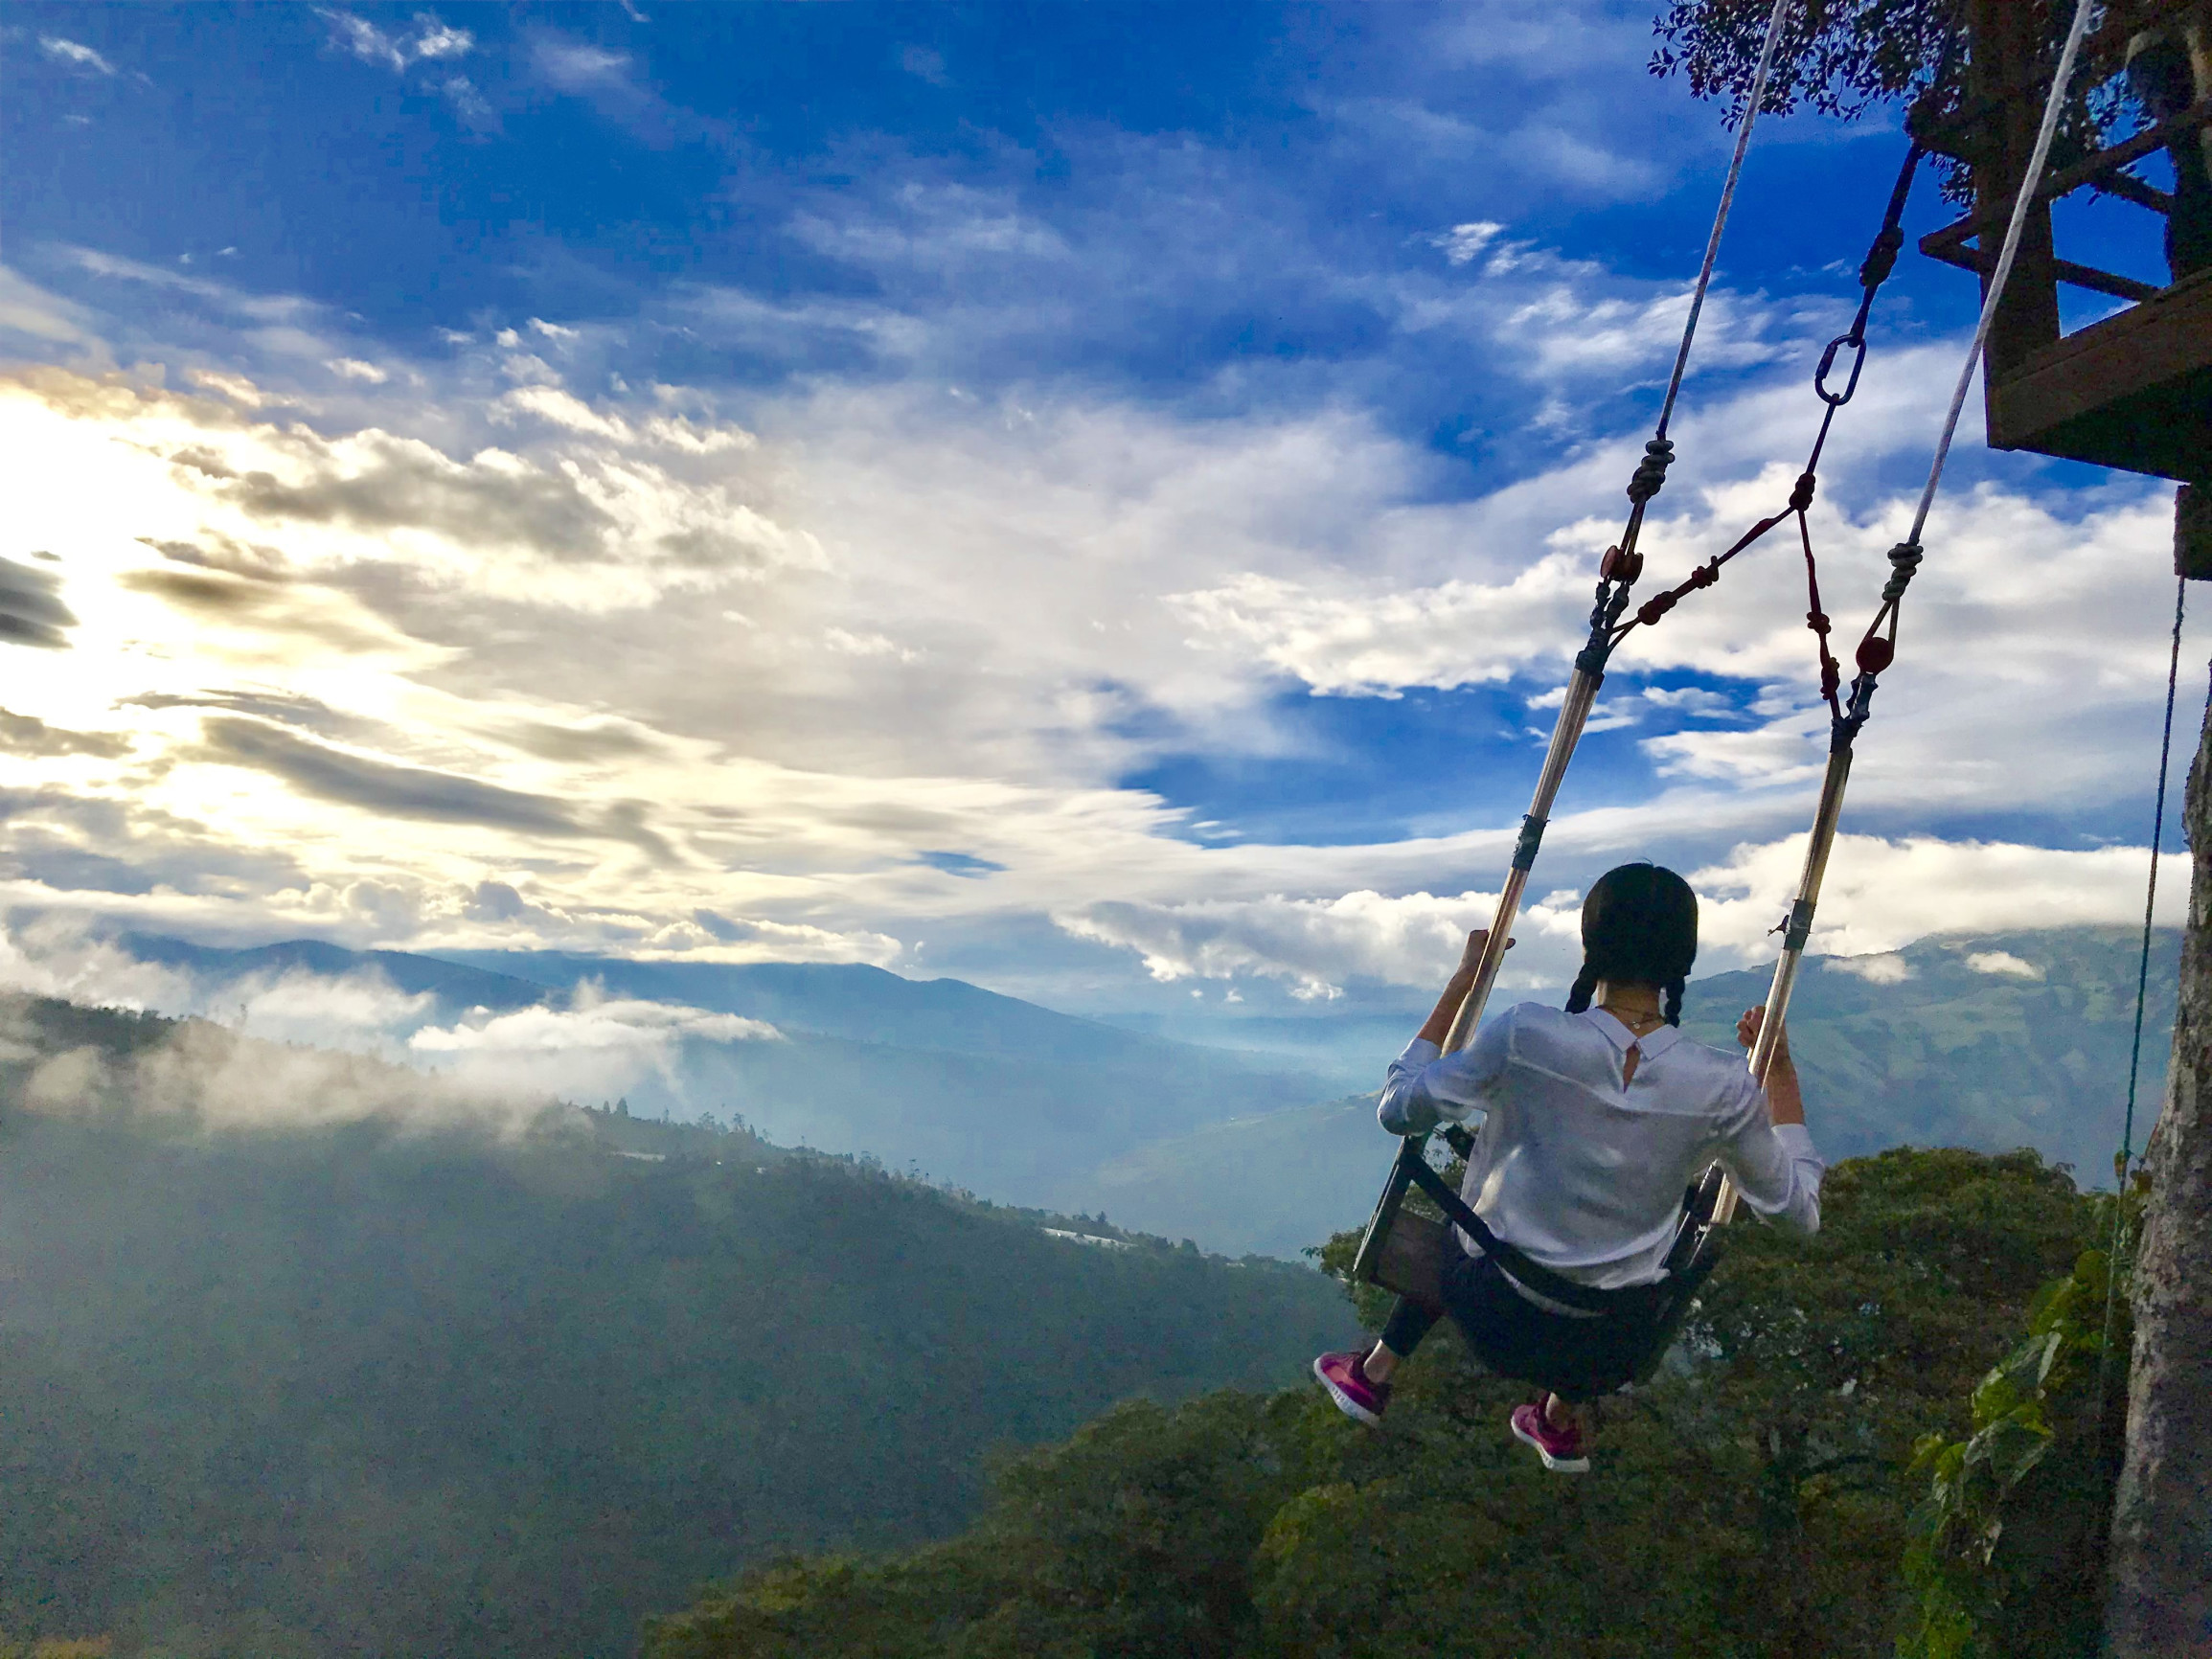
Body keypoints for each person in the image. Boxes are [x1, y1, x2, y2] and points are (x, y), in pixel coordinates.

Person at [1311, 862, 1823, 1473]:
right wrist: (1781, 1076)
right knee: (1618, 1237)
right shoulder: (1724, 1087)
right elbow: (1800, 1218)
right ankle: (1555, 1417)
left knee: (1473, 1212)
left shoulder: (1529, 1034)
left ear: (1590, 946)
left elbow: (1399, 1111)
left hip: (1495, 1315)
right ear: (1681, 961)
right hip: (1609, 1348)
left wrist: (1465, 980)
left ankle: (1375, 1374)